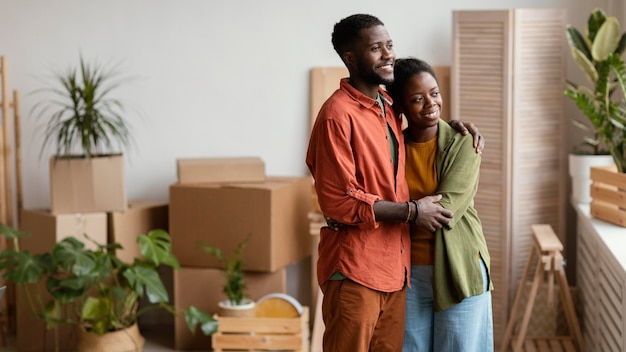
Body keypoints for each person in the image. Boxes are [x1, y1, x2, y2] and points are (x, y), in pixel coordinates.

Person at [306, 14, 484, 352]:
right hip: (355, 269)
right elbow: (339, 201)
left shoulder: (388, 107)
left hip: (396, 274)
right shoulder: (336, 115)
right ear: (350, 59)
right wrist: (411, 212)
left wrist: (455, 127)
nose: (388, 54)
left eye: (389, 45)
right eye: (376, 48)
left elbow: (423, 114)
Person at [386, 57, 494, 351]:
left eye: (434, 93)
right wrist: (414, 212)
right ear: (401, 107)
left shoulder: (463, 142)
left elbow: (446, 210)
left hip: (459, 268)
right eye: (417, 99)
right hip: (407, 275)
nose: (431, 103)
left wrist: (405, 211)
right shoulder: (393, 151)